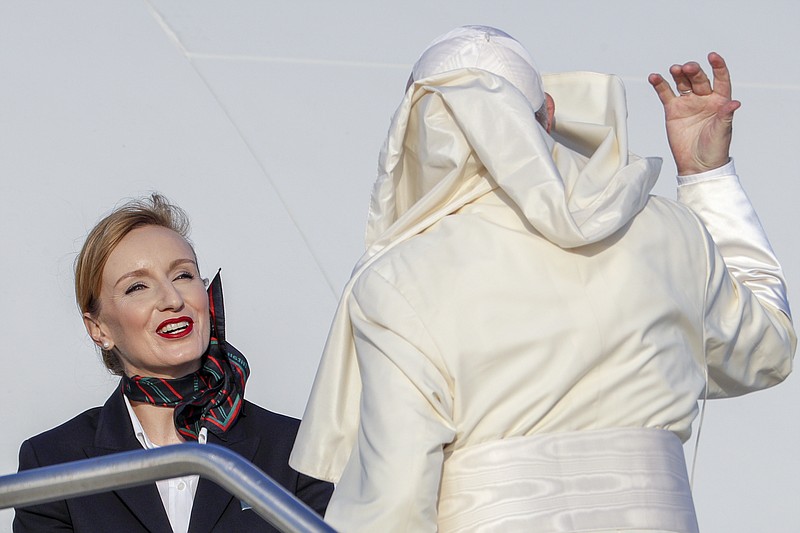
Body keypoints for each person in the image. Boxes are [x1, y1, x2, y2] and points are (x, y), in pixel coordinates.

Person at [288, 26, 796, 532]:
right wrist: (708, 177)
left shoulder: (398, 279)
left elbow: (392, 510)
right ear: (548, 114)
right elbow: (768, 352)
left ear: (412, 133)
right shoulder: (667, 230)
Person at [14, 194, 333, 533]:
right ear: (98, 328)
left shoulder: (294, 449)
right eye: (137, 286)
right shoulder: (53, 462)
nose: (172, 299)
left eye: (183, 275)